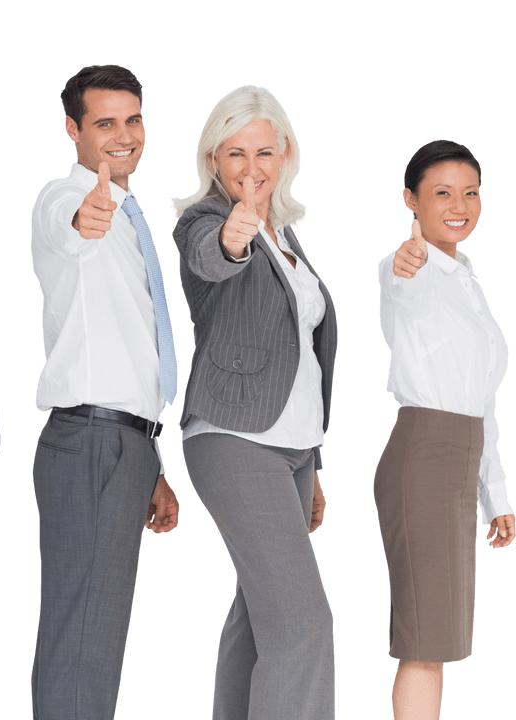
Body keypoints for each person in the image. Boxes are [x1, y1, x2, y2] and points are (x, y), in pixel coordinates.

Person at [169, 84, 338, 719]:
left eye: (263, 151)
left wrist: (313, 465)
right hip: (235, 440)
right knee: (303, 627)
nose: (250, 168)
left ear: (285, 152)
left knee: (258, 621)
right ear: (213, 160)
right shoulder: (205, 222)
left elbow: (299, 356)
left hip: (293, 450)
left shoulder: (289, 238)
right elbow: (212, 261)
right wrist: (234, 240)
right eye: (234, 153)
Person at [28, 63, 179, 720]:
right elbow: (73, 227)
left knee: (101, 635)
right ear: (73, 130)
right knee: (81, 637)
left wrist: (154, 463)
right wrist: (91, 210)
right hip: (90, 439)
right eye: (104, 123)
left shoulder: (130, 214)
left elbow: (131, 342)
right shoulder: (64, 200)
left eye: (133, 120)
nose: (124, 135)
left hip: (125, 442)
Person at [374, 139, 514, 720]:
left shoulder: (467, 281)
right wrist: (406, 266)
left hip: (462, 458)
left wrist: (496, 497)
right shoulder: (405, 265)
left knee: (445, 638)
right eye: (441, 193)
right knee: (425, 641)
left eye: (470, 192)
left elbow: (482, 402)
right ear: (411, 200)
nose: (460, 204)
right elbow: (400, 285)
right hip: (425, 457)